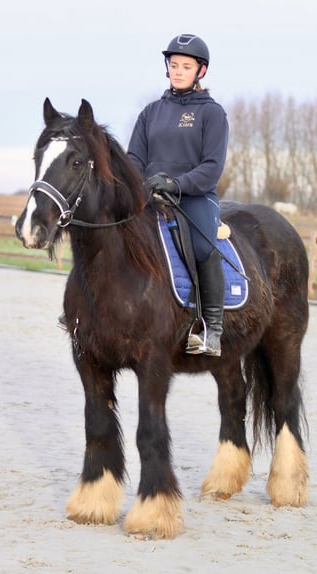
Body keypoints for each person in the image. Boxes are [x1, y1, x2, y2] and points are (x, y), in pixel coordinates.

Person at [127, 34, 229, 357]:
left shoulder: (212, 114)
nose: (178, 71)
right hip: (150, 195)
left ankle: (212, 327)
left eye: (186, 66)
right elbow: (133, 159)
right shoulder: (151, 112)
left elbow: (211, 167)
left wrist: (176, 183)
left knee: (202, 244)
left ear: (201, 71)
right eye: (174, 65)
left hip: (194, 197)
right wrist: (141, 183)